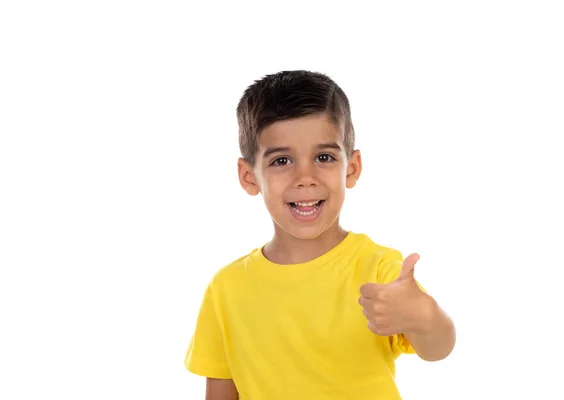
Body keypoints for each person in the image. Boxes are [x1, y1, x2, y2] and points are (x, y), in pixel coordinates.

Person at [184, 70, 456, 400]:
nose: (305, 177)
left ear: (351, 168)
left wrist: (422, 314)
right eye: (282, 160)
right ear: (248, 176)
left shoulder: (380, 269)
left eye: (323, 157)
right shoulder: (225, 289)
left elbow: (438, 348)